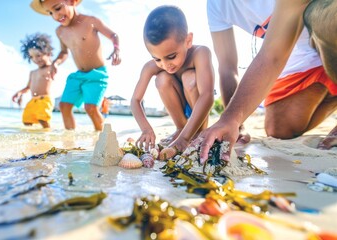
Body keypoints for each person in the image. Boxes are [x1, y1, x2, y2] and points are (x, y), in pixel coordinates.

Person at [198, 0, 337, 163]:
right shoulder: (217, 4)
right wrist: (233, 120)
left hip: (328, 36)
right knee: (279, 128)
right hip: (305, 58)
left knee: (324, 19)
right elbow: (269, 57)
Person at [131, 5, 215, 152]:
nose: (165, 64)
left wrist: (184, 139)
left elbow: (207, 96)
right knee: (162, 78)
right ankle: (180, 128)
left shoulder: (200, 53)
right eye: (157, 59)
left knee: (189, 77)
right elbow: (135, 100)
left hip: (199, 108)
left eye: (171, 57)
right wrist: (146, 129)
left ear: (188, 40)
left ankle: (196, 134)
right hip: (180, 109)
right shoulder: (152, 67)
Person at [30, 0, 121, 131]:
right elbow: (63, 52)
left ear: (72, 1)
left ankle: (105, 138)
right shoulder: (60, 31)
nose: (55, 16)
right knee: (64, 106)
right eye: (50, 13)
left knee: (90, 108)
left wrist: (116, 49)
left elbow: (113, 35)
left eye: (57, 8)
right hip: (78, 75)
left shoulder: (90, 21)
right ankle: (70, 141)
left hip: (97, 74)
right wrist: (55, 63)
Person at [12, 33, 54, 129]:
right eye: (32, 57)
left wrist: (51, 62)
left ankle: (48, 135)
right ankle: (32, 140)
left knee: (43, 119)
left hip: (45, 100)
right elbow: (28, 87)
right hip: (33, 101)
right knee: (27, 121)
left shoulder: (50, 68)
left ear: (48, 54)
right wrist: (19, 93)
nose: (35, 59)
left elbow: (54, 64)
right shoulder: (32, 72)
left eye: (38, 55)